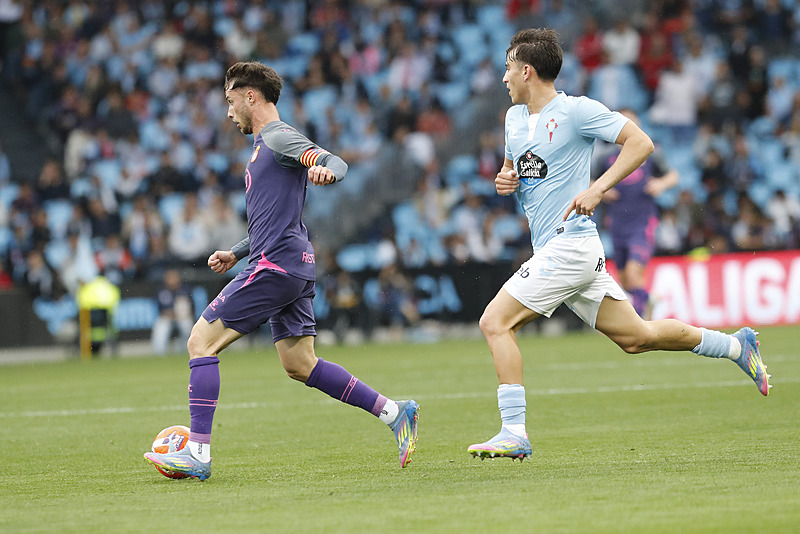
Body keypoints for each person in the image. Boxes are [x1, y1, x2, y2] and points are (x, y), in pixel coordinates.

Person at [467, 29, 770, 461]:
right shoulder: (513, 120)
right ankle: (738, 346)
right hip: (558, 249)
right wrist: (506, 179)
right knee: (638, 337)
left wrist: (598, 186)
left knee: (494, 322)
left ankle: (514, 431)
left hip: (569, 245)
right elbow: (518, 170)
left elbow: (641, 143)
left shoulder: (577, 111)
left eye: (508, 68)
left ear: (527, 70)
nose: (504, 78)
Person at [144, 62, 419, 480]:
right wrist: (237, 251)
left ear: (249, 95)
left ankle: (197, 452)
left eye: (230, 100)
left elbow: (333, 162)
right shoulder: (263, 146)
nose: (228, 110)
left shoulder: (278, 136)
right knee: (299, 363)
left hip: (275, 266)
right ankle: (395, 413)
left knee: (200, 342)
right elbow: (274, 217)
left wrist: (326, 169)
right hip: (290, 263)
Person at [595, 108, 678, 317]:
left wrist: (660, 184)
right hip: (617, 223)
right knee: (624, 281)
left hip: (642, 222)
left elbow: (673, 176)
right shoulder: (605, 157)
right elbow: (588, 183)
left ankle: (640, 323)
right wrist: (602, 190)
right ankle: (648, 301)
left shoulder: (650, 152)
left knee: (633, 275)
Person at [151, 268, 195, 356]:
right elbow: (159, 309)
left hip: (182, 317)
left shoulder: (185, 290)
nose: (172, 280)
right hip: (167, 317)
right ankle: (159, 353)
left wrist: (183, 313)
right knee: (161, 327)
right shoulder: (161, 291)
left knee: (188, 326)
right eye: (170, 278)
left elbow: (192, 307)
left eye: (174, 277)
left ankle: (185, 351)